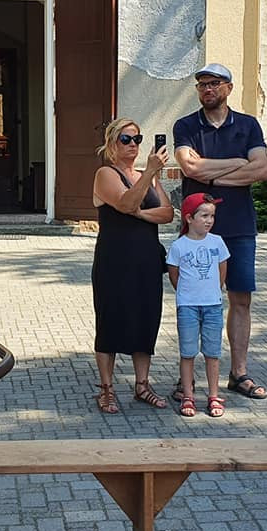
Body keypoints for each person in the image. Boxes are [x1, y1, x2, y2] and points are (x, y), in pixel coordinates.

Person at [173, 63, 267, 400]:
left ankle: (238, 373)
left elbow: (262, 170)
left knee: (240, 299)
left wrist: (211, 176)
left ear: (228, 88)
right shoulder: (186, 125)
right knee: (193, 300)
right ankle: (186, 379)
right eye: (202, 84)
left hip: (239, 225)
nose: (207, 89)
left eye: (214, 83)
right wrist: (238, 163)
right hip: (196, 230)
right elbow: (190, 167)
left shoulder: (248, 125)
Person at [91, 118, 174, 414]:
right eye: (125, 139)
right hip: (115, 260)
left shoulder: (144, 176)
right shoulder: (106, 173)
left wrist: (140, 213)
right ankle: (106, 389)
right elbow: (125, 203)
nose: (132, 145)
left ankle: (142, 385)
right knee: (111, 321)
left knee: (146, 320)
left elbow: (167, 213)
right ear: (112, 143)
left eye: (136, 139)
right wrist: (149, 173)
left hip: (146, 260)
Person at [167, 193, 229, 418]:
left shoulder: (217, 242)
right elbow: (174, 275)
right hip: (188, 307)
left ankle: (213, 395)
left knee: (213, 353)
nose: (209, 220)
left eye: (212, 216)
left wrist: (212, 291)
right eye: (204, 216)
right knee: (188, 352)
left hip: (213, 305)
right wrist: (188, 294)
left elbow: (222, 270)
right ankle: (188, 395)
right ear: (189, 218)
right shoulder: (179, 246)